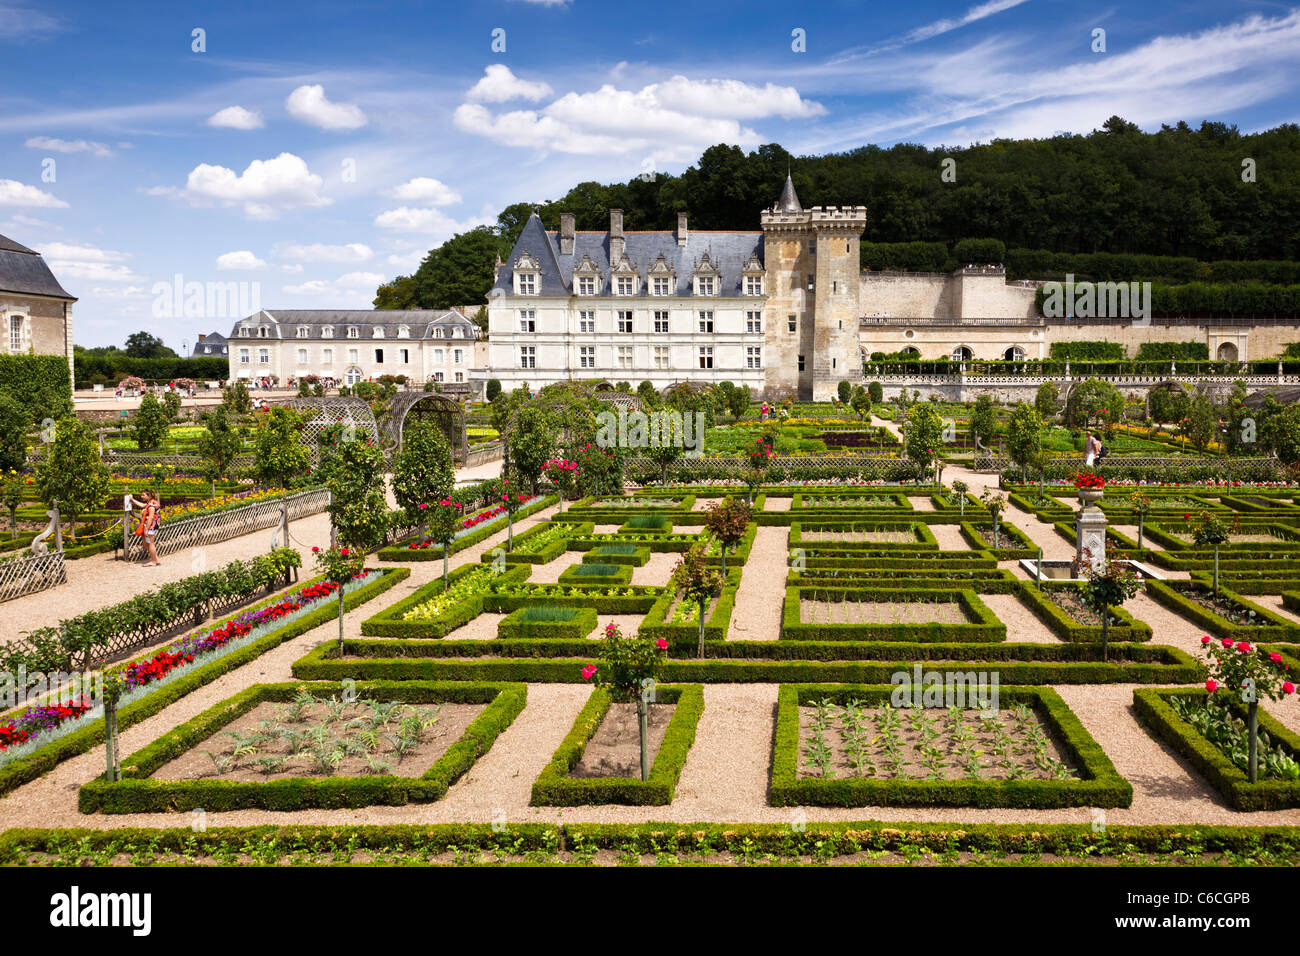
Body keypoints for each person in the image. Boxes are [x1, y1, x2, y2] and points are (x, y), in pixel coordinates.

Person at [129, 489, 162, 567]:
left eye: (144, 495)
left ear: (149, 495)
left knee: (150, 543)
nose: (141, 496)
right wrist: (132, 500)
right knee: (145, 543)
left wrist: (146, 529)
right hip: (151, 525)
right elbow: (142, 505)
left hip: (151, 526)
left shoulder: (151, 505)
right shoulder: (151, 503)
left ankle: (153, 561)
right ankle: (155, 559)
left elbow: (150, 517)